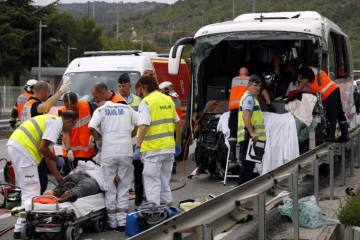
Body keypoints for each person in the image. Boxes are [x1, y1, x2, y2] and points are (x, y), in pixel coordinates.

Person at [7, 111, 77, 239]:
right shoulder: (57, 123)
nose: (71, 129)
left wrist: (59, 179)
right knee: (32, 190)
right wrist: (58, 159)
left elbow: (47, 157)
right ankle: (22, 227)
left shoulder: (50, 123)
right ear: (68, 121)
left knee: (28, 189)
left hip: (18, 145)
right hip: (24, 149)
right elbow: (42, 149)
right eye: (73, 126)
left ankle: (26, 224)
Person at [88, 100, 138, 231]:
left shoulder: (101, 110)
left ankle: (112, 223)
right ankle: (122, 223)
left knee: (109, 188)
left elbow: (91, 127)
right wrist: (130, 134)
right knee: (123, 186)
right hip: (126, 151)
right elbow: (140, 123)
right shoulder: (127, 109)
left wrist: (99, 138)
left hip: (109, 152)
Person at [133, 74, 182, 206]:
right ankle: (167, 208)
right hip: (168, 149)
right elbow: (178, 123)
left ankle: (154, 212)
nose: (141, 93)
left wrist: (138, 146)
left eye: (141, 90)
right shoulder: (168, 100)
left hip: (152, 150)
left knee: (151, 181)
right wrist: (178, 143)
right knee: (164, 181)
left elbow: (144, 125)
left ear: (145, 87)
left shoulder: (147, 102)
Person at [21, 79, 73, 194]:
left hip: (30, 150)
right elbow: (45, 106)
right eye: (49, 93)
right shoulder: (34, 105)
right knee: (37, 188)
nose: (50, 96)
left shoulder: (28, 106)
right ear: (43, 92)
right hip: (33, 153)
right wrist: (60, 92)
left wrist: (59, 179)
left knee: (39, 184)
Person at [228, 67, 274, 163]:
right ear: (248, 73)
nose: (257, 87)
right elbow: (264, 93)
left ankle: (232, 153)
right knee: (247, 159)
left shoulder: (234, 80)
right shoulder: (251, 81)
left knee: (233, 129)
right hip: (245, 106)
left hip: (234, 107)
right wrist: (269, 105)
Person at [297, 66, 350, 142]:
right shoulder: (313, 71)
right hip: (334, 89)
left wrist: (295, 92)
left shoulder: (307, 71)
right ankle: (345, 135)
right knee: (339, 112)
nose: (300, 78)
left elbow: (301, 85)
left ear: (301, 73)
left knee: (331, 113)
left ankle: (331, 135)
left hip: (330, 92)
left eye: (300, 76)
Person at [118, 73, 144, 206]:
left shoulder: (138, 101)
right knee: (121, 171)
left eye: (124, 86)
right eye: (119, 86)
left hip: (134, 141)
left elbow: (141, 122)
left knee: (138, 170)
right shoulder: (114, 101)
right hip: (121, 142)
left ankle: (139, 196)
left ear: (130, 85)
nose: (121, 89)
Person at [58, 92, 98, 175]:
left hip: (87, 152)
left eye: (69, 107)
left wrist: (94, 135)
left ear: (76, 102)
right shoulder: (62, 111)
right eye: (66, 106)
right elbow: (65, 133)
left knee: (87, 178)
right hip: (70, 153)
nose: (67, 109)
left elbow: (97, 123)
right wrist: (69, 150)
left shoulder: (89, 106)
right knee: (69, 178)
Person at [237, 75, 266, 186]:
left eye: (259, 85)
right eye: (255, 85)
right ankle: (241, 193)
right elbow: (246, 116)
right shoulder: (249, 99)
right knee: (247, 166)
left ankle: (245, 192)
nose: (258, 88)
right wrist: (252, 132)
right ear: (249, 86)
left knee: (250, 166)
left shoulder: (252, 98)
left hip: (252, 138)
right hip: (249, 137)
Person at [159, 81, 182, 174]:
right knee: (171, 149)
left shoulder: (167, 98)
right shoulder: (175, 97)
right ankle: (172, 166)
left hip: (167, 127)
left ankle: (171, 166)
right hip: (174, 126)